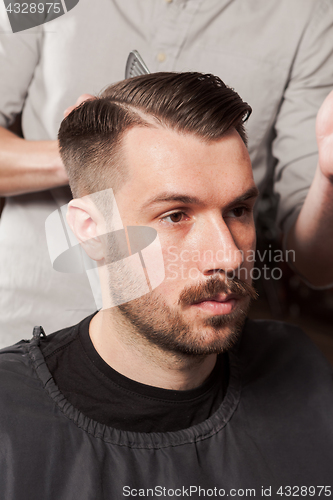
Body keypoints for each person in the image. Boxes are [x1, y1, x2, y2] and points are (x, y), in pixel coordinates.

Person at [1, 73, 332, 498]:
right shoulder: (10, 420)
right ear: (92, 232)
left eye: (238, 210)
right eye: (175, 215)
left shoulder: (303, 371)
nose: (229, 257)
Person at [0, 0, 333, 347]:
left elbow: (316, 266)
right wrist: (93, 156)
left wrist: (328, 177)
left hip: (190, 338)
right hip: (28, 310)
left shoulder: (306, 15)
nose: (229, 257)